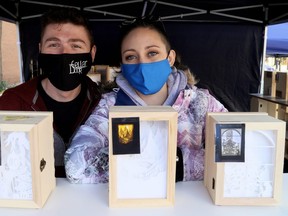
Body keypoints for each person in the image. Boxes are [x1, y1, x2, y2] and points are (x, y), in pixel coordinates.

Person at [64, 16, 228, 183]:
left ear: (170, 58)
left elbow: (237, 153)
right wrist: (170, 162)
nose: (142, 63)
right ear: (122, 64)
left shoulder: (200, 103)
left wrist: (172, 164)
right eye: (131, 57)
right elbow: (76, 167)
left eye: (152, 53)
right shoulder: (111, 107)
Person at [0, 7, 101, 177]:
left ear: (92, 53)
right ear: (40, 49)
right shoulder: (12, 104)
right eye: (54, 44)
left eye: (76, 45)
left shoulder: (102, 104)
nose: (64, 53)